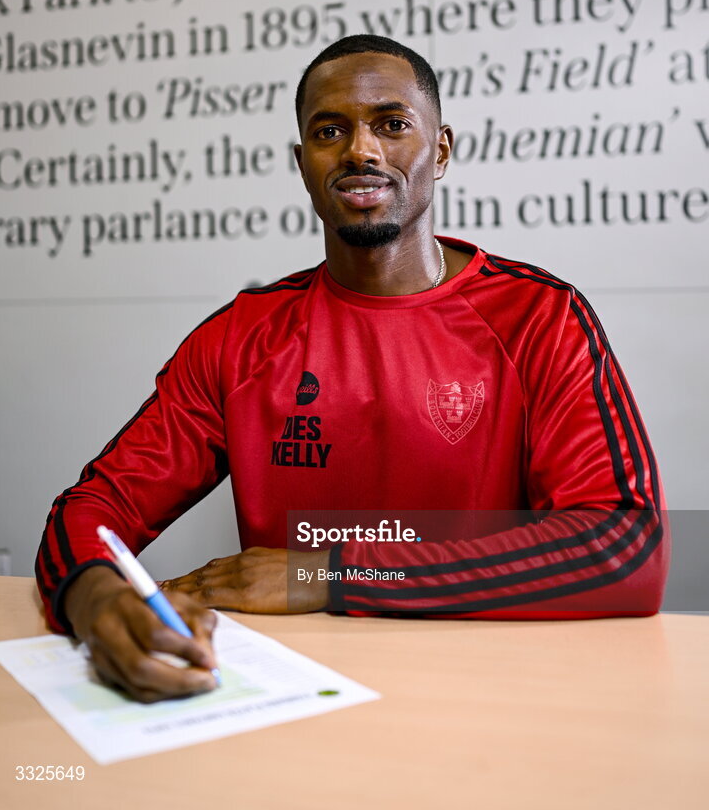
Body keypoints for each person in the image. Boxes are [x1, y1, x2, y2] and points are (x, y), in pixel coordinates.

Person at [36, 34, 669, 702]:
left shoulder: (539, 317)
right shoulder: (240, 338)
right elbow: (94, 508)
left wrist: (328, 575)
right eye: (329, 131)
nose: (361, 151)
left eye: (392, 125)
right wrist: (98, 601)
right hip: (288, 700)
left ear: (442, 150)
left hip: (490, 697)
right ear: (303, 162)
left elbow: (623, 549)